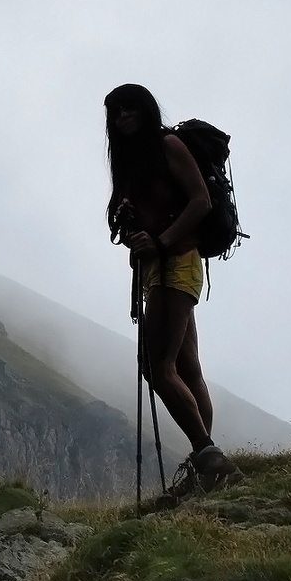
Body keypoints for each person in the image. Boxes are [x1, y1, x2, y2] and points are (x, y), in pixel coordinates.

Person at [104, 83, 242, 493]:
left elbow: (201, 201)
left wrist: (161, 241)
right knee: (186, 367)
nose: (123, 116)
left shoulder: (167, 145)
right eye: (115, 111)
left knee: (156, 367)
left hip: (175, 263)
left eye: (130, 107)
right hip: (163, 268)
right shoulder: (133, 162)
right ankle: (208, 464)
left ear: (146, 109)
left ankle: (209, 458)